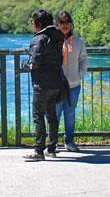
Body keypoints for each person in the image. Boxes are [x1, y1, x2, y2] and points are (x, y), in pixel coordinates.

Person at [22, 10, 65, 162]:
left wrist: (24, 64)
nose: (32, 24)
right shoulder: (57, 36)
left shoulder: (39, 39)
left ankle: (38, 150)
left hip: (42, 84)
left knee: (38, 116)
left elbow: (34, 63)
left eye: (32, 22)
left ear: (38, 24)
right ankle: (51, 149)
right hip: (57, 82)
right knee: (52, 116)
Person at [56, 11, 88, 152]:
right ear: (57, 24)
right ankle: (52, 143)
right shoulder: (52, 41)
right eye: (62, 22)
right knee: (53, 115)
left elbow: (84, 60)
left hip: (73, 86)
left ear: (71, 23)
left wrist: (79, 75)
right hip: (55, 86)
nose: (65, 25)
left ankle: (69, 141)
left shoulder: (78, 42)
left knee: (70, 114)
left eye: (67, 21)